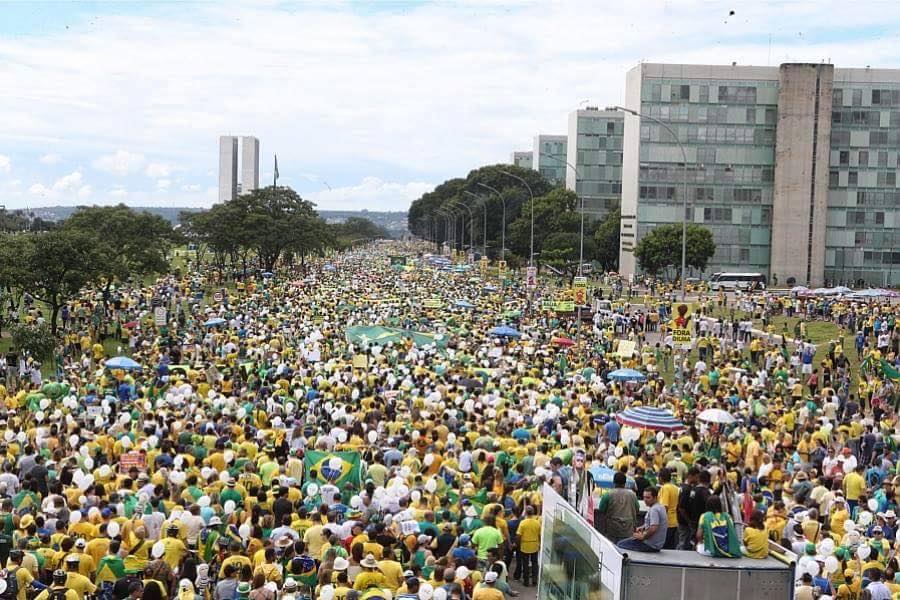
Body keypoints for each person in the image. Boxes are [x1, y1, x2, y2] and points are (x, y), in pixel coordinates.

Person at [616, 487, 667, 553]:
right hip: (657, 544)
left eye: (648, 497)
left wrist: (643, 537)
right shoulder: (661, 507)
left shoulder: (654, 510)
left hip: (650, 545)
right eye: (644, 497)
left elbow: (653, 528)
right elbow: (654, 523)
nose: (645, 500)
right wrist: (643, 527)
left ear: (655, 497)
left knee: (619, 544)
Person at [596, 472, 638, 543]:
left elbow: (601, 509)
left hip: (612, 530)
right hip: (628, 530)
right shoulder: (633, 495)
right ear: (625, 482)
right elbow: (637, 509)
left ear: (613, 482)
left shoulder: (607, 495)